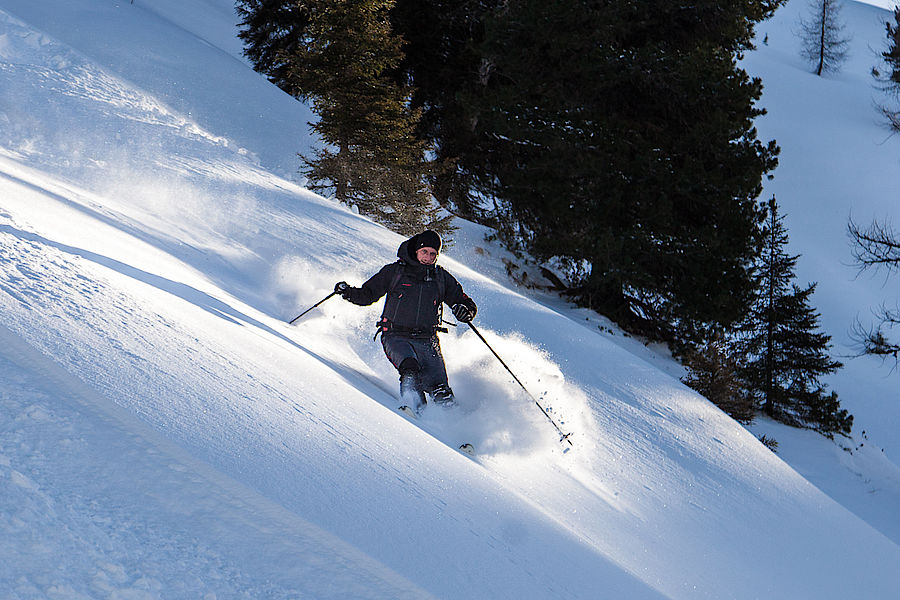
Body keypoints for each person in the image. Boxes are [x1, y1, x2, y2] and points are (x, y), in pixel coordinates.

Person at [334, 230, 477, 414]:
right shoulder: (395, 272)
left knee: (440, 386)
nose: (428, 257)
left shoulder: (440, 278)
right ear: (416, 250)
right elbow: (367, 295)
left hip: (427, 340)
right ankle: (415, 410)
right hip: (395, 336)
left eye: (433, 254)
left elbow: (464, 301)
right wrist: (348, 292)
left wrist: (465, 311)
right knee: (410, 369)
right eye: (424, 251)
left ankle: (456, 428)